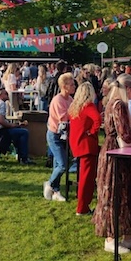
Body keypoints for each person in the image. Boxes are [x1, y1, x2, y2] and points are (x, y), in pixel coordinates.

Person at [91, 78, 131, 254]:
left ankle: (127, 236)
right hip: (115, 154)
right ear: (127, 88)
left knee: (125, 192)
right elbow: (124, 133)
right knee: (114, 194)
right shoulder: (119, 105)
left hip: (116, 152)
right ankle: (110, 238)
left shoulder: (112, 103)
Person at [68, 82, 101, 215]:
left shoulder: (75, 107)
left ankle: (83, 205)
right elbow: (97, 119)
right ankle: (82, 207)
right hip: (87, 144)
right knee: (87, 178)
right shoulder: (89, 106)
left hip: (77, 143)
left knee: (84, 176)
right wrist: (92, 132)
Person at [43, 72, 75, 203]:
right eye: (72, 84)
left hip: (64, 136)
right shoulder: (58, 100)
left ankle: (56, 191)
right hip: (55, 135)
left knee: (58, 164)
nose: (74, 86)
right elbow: (64, 118)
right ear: (64, 86)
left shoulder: (70, 99)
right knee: (62, 165)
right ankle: (50, 184)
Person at [0, 87, 32, 164]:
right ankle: (23, 158)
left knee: (18, 131)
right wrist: (12, 125)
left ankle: (20, 155)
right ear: (0, 95)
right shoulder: (2, 104)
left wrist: (14, 125)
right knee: (24, 132)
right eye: (6, 94)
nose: (8, 95)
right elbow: (0, 121)